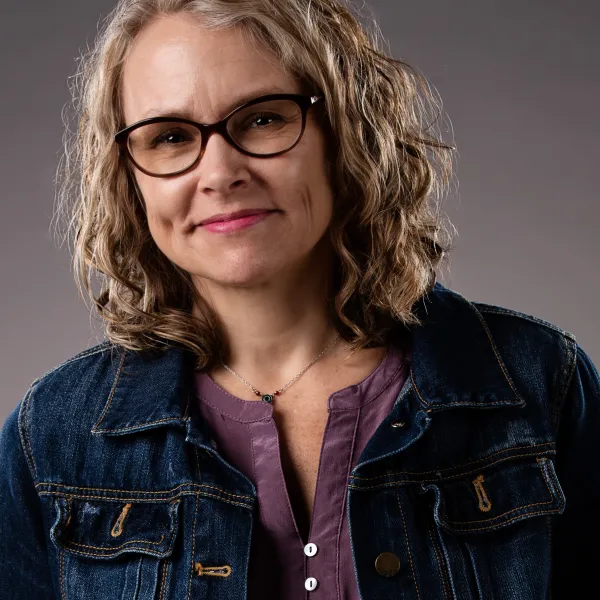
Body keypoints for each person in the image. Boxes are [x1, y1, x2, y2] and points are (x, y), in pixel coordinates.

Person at [0, 0, 598, 598]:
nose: (219, 172)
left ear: (343, 132)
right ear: (128, 177)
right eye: (171, 136)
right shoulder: (53, 435)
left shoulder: (539, 385)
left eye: (262, 119)